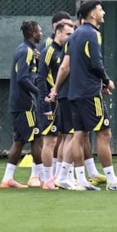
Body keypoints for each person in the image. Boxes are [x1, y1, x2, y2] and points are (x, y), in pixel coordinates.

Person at [60, 0, 117, 191]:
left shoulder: (75, 34)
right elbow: (95, 63)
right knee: (104, 133)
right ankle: (112, 180)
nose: (103, 12)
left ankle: (73, 178)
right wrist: (106, 81)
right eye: (100, 9)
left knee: (79, 134)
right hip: (89, 93)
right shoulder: (92, 33)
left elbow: (70, 64)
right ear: (92, 14)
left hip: (75, 91)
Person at [0, 21, 43, 189]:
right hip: (25, 104)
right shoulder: (25, 51)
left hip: (21, 103)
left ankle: (8, 179)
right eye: (39, 30)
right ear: (33, 33)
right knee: (35, 138)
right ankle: (41, 177)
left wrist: (38, 61)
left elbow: (28, 74)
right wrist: (38, 93)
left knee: (21, 140)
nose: (41, 33)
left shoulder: (27, 50)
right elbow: (22, 78)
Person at [36, 20, 74, 190]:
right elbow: (40, 78)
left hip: (63, 101)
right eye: (68, 34)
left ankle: (60, 177)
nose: (70, 37)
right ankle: (46, 179)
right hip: (50, 103)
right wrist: (45, 103)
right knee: (50, 141)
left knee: (65, 138)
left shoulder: (66, 51)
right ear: (58, 33)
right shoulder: (49, 51)